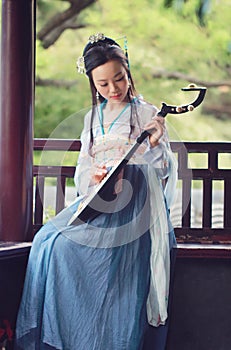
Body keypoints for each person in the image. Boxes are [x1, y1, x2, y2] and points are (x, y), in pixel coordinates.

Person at [14, 33, 177, 350]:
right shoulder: (92, 118)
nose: (114, 89)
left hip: (134, 206)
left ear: (128, 72)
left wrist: (155, 144)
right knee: (46, 242)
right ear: (92, 83)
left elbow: (164, 170)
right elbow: (83, 168)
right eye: (103, 84)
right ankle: (67, 334)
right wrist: (96, 175)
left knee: (66, 250)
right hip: (100, 200)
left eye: (119, 78)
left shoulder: (148, 114)